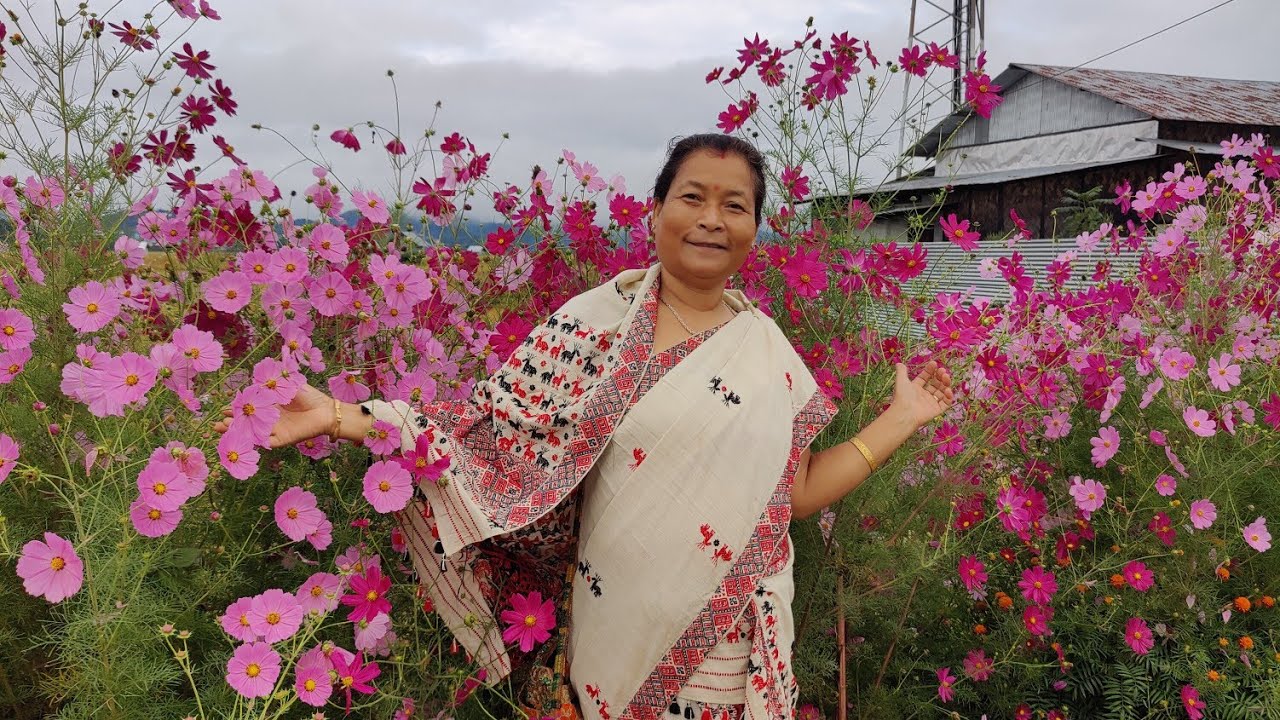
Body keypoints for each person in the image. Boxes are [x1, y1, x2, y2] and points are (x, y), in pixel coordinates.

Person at [222, 134, 955, 720]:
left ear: (755, 229)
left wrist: (901, 418)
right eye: (692, 197)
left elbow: (791, 493)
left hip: (733, 651)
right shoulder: (589, 328)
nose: (711, 218)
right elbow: (485, 434)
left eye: (735, 205)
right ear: (656, 211)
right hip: (613, 629)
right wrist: (349, 417)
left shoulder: (772, 357)